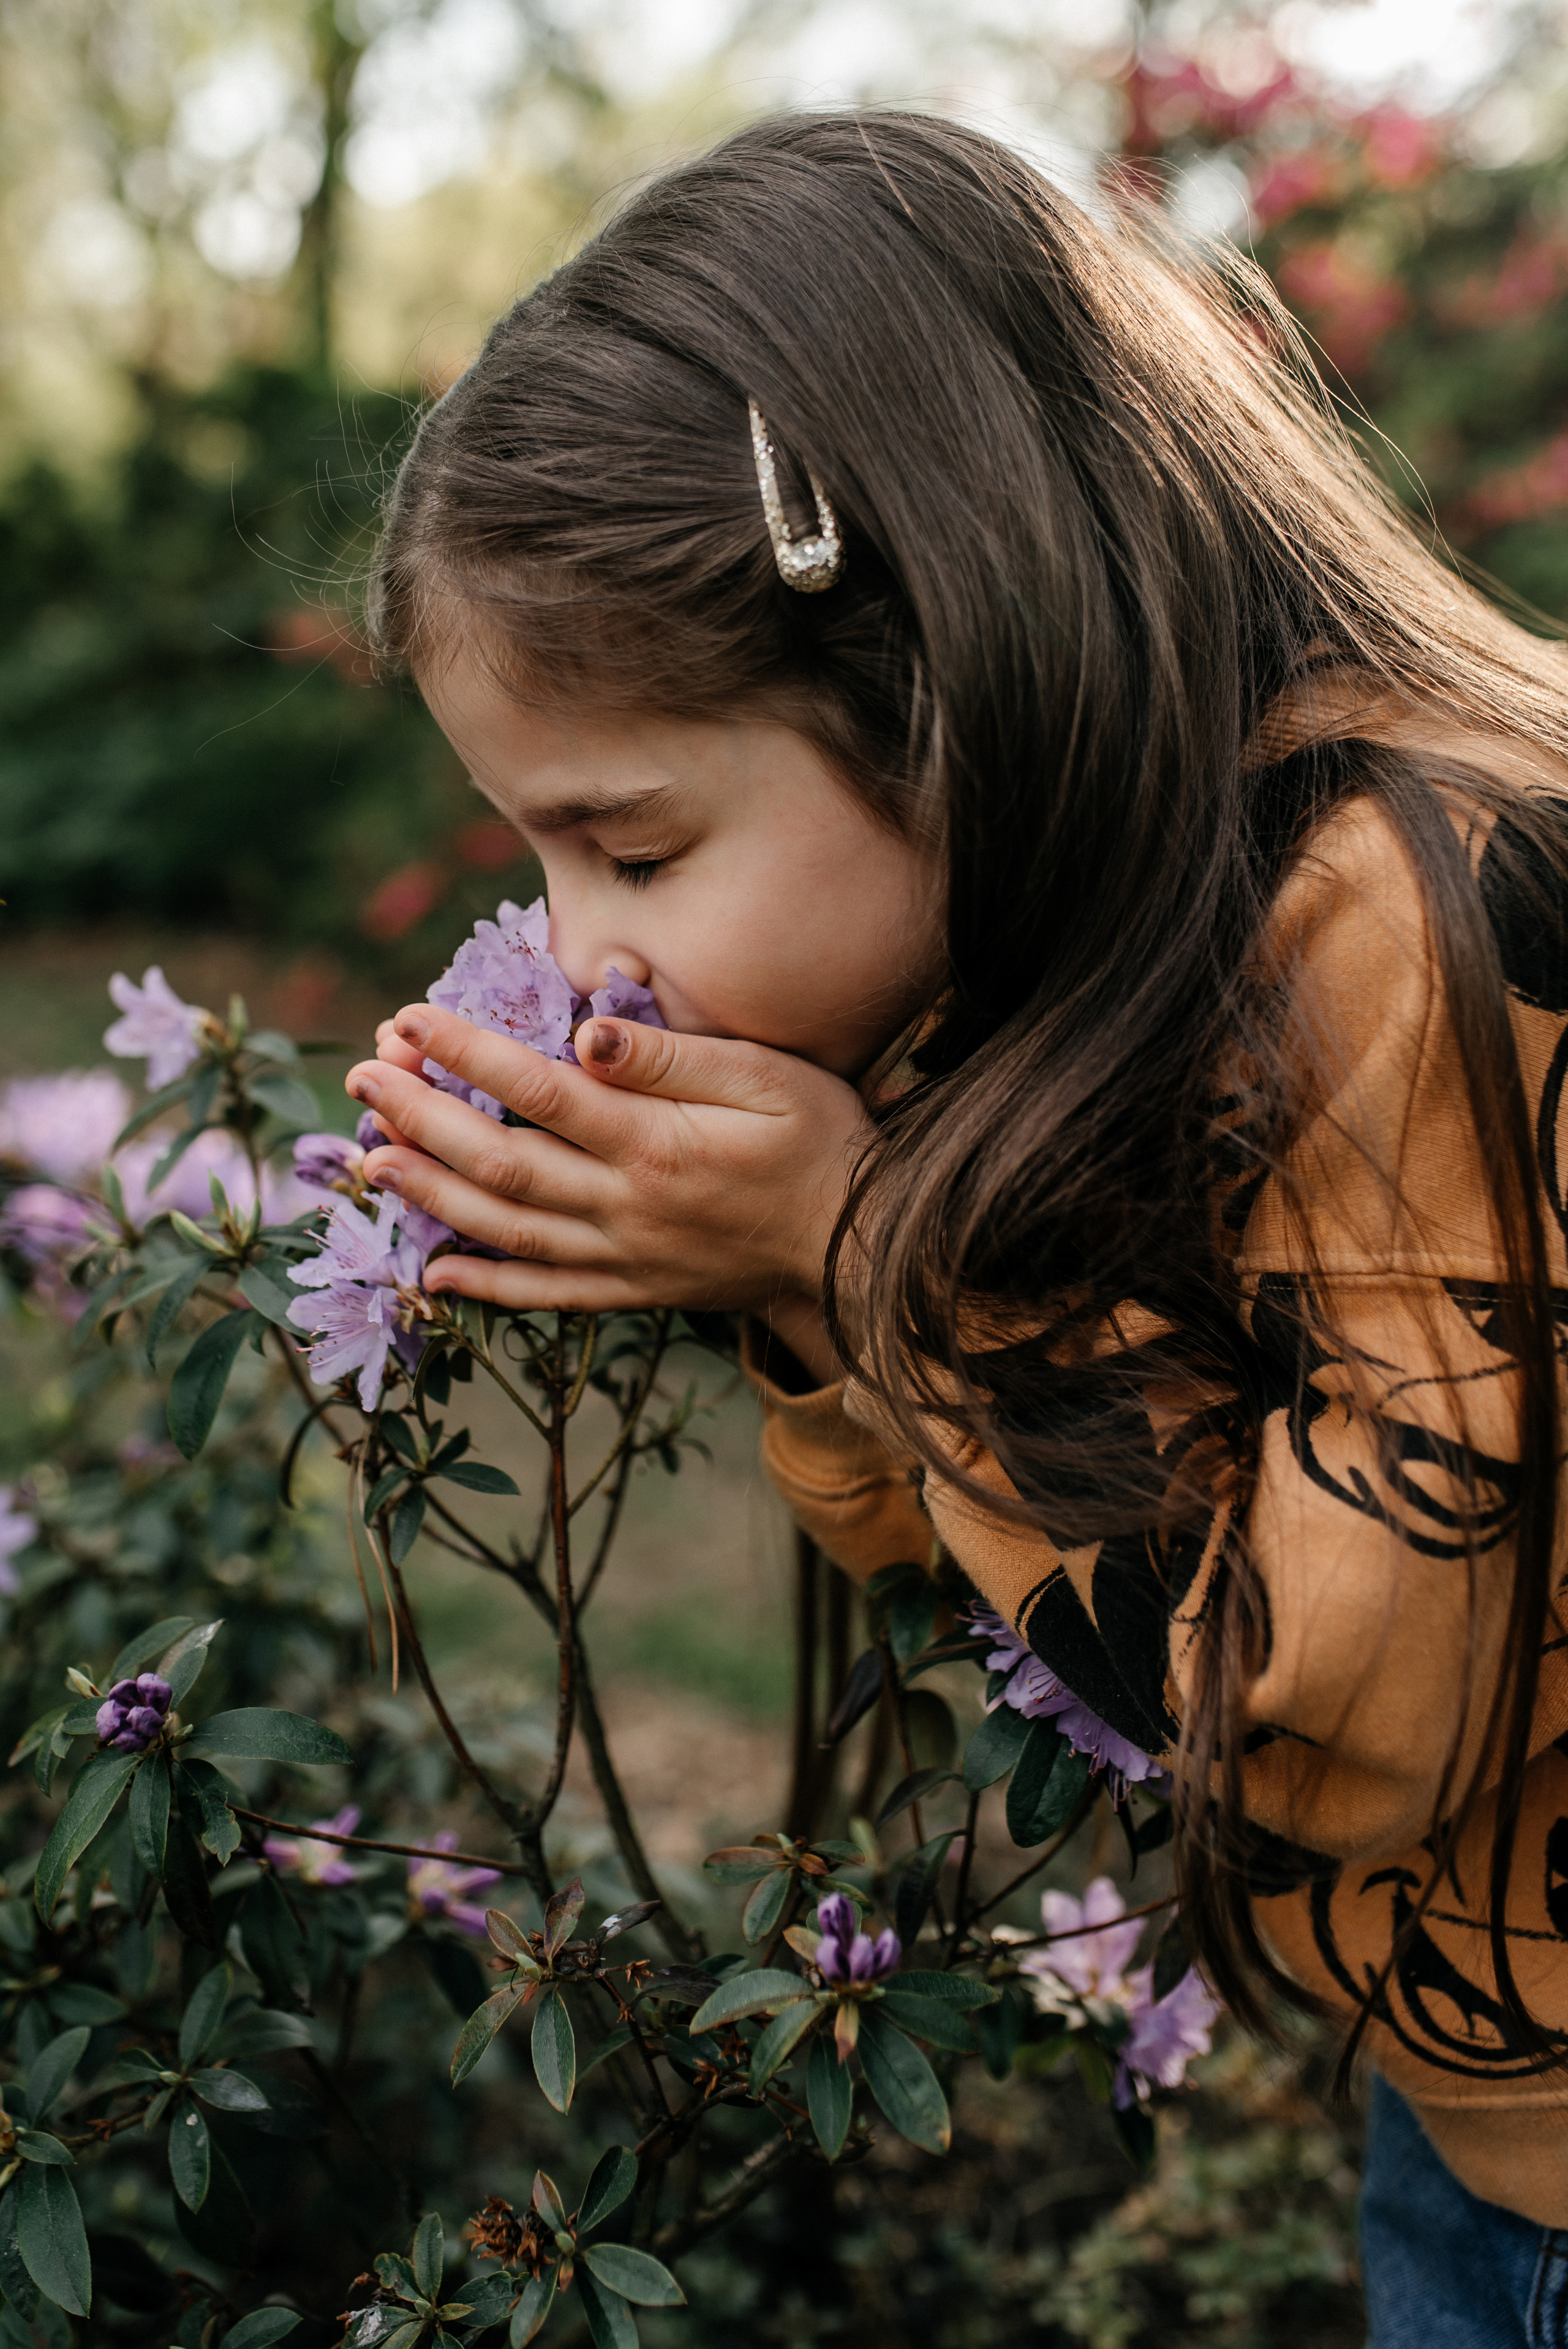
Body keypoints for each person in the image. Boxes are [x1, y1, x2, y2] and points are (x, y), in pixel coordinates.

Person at [343, 110, 1568, 2343]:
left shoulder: (1415, 928)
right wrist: (806, 1268)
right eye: (538, 859)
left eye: (627, 842)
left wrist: (847, 1243)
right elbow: (992, 1566)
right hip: (1474, 2124)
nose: (578, 945)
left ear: (943, 677)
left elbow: (1318, 1712)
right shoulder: (1036, 940)